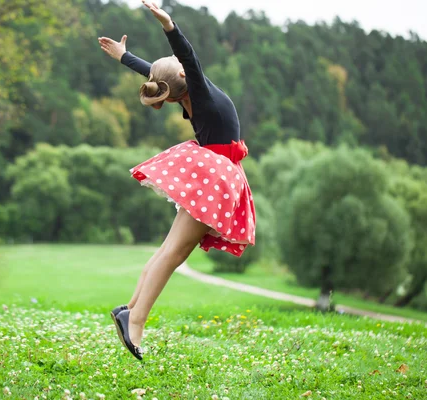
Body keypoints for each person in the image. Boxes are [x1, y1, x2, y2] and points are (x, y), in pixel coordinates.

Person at [98, 0, 256, 360]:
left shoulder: (176, 90)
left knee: (172, 249)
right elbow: (187, 57)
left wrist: (125, 57)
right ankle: (134, 320)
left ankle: (130, 310)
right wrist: (169, 25)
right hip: (215, 174)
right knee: (174, 252)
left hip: (212, 172)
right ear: (185, 76)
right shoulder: (195, 88)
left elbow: (155, 74)